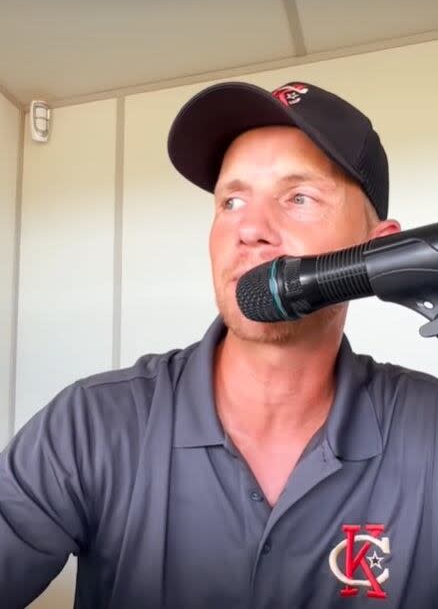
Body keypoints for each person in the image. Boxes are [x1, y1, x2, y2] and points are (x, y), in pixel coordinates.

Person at [1, 80, 438, 609]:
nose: (250, 228)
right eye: (232, 200)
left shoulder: (427, 428)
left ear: (380, 248)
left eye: (298, 196)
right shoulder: (92, 423)